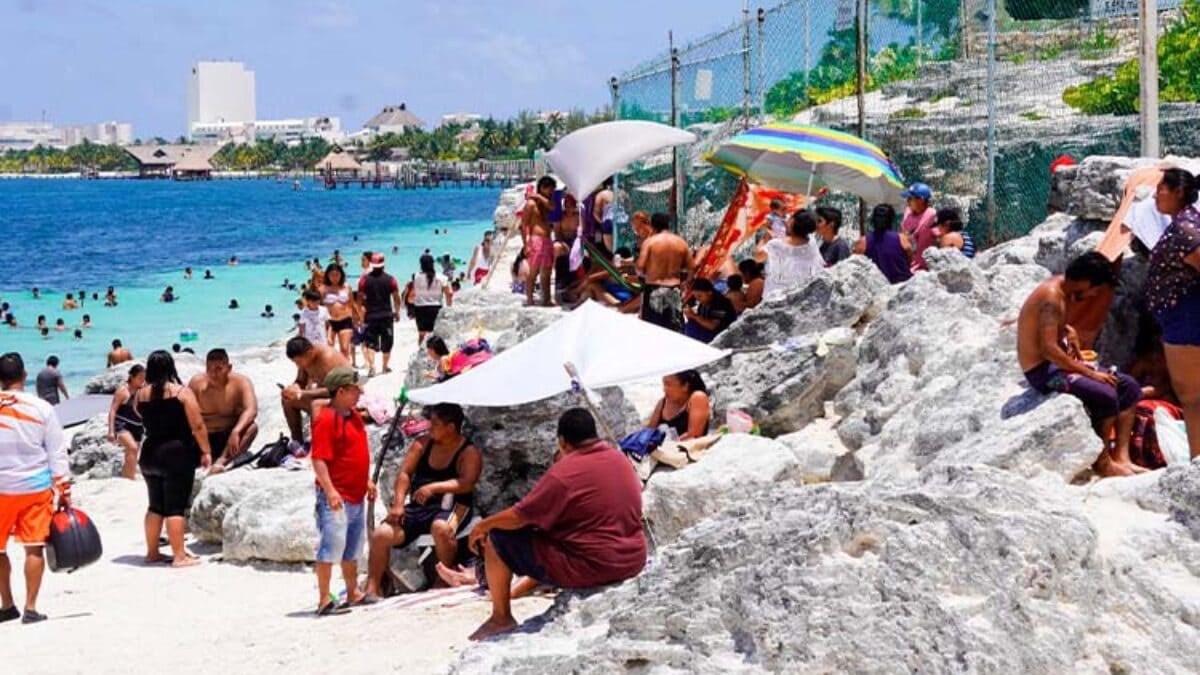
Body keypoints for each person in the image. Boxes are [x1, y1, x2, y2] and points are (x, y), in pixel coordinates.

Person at [467, 408, 646, 641]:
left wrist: (482, 526)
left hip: (596, 566)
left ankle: (501, 617)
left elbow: (520, 515)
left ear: (562, 441)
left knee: (498, 537)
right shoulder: (619, 458)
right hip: (633, 559)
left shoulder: (565, 473)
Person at [1017, 252, 1144, 477]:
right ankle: (1102, 462)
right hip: (1042, 372)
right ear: (1085, 282)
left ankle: (1122, 456)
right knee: (1105, 393)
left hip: (1058, 365)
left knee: (1129, 386)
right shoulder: (1051, 297)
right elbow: (1049, 350)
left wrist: (1069, 332)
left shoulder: (1063, 290)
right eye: (1095, 289)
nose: (1095, 295)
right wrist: (1090, 373)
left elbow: (1052, 326)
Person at [365, 403, 481, 599]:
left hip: (453, 505)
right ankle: (373, 586)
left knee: (441, 528)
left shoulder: (468, 452)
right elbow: (404, 473)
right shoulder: (422, 444)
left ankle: (443, 577)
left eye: (435, 424)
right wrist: (399, 504)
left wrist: (435, 487)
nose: (429, 427)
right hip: (419, 508)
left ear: (450, 427)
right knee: (381, 534)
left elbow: (467, 482)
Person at [0, 352, 70, 624]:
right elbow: (57, 451)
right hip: (34, 489)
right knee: (33, 547)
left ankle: (6, 604)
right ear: (25, 376)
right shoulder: (42, 407)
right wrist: (63, 488)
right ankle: (30, 608)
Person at [135, 351, 212, 566]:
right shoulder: (181, 393)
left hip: (149, 453)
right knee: (175, 507)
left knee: (155, 505)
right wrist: (205, 451)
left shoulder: (140, 395)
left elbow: (140, 415)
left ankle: (152, 552)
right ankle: (179, 556)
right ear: (171, 367)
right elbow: (197, 425)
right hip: (176, 453)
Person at [310, 367, 375, 615]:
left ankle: (353, 591)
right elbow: (319, 459)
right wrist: (330, 490)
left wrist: (366, 480)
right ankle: (324, 598)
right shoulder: (327, 420)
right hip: (336, 496)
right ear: (341, 391)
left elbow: (356, 452)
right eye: (355, 389)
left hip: (356, 493)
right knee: (331, 545)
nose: (359, 393)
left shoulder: (353, 416)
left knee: (352, 546)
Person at [1146, 167, 1200, 459]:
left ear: (1178, 192)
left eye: (1161, 189)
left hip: (1186, 318)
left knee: (1192, 397)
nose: (1156, 195)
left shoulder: (1185, 229)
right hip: (1180, 316)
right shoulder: (1186, 222)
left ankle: (1196, 462)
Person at [187, 349, 259, 472]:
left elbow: (251, 409)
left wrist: (236, 431)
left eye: (218, 369)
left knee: (252, 427)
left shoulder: (241, 383)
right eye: (209, 369)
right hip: (203, 439)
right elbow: (185, 413)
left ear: (229, 367)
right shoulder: (197, 383)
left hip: (228, 438)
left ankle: (222, 461)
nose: (213, 374)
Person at [281, 336, 350, 442]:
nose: (298, 365)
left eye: (298, 362)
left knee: (316, 405)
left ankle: (319, 447)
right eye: (295, 363)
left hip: (346, 399)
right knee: (288, 400)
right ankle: (297, 442)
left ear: (309, 353)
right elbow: (300, 381)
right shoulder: (306, 359)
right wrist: (293, 388)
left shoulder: (327, 358)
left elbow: (336, 389)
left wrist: (302, 393)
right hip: (328, 398)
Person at [637, 213, 695, 331]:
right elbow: (692, 268)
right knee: (674, 330)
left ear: (652, 226)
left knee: (652, 329)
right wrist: (686, 284)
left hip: (654, 288)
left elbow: (639, 268)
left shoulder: (650, 242)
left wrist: (647, 275)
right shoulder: (681, 242)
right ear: (668, 224)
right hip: (674, 289)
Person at [756, 209, 824, 298]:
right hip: (798, 297)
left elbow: (758, 257)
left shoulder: (775, 245)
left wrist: (766, 235)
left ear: (792, 221)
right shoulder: (812, 243)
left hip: (774, 298)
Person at [358, 253, 402, 376]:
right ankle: (384, 366)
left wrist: (360, 316)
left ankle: (372, 366)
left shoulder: (364, 280)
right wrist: (397, 311)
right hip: (386, 315)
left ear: (372, 264)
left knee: (371, 342)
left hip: (370, 315)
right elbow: (396, 298)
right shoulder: (391, 279)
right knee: (387, 342)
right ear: (383, 265)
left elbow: (359, 300)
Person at [855, 204, 914, 284]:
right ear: (891, 220)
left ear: (873, 219)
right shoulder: (902, 238)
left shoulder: (863, 242)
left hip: (877, 288)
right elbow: (910, 259)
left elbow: (855, 265)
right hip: (903, 286)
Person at [647, 370, 711, 440]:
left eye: (668, 384)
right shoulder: (662, 402)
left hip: (692, 448)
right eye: (664, 384)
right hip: (666, 448)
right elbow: (648, 433)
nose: (664, 389)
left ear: (685, 386)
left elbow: (693, 436)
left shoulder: (698, 397)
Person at [522, 176, 557, 307]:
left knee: (547, 271)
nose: (551, 193)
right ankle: (530, 299)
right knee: (534, 271)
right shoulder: (531, 204)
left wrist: (538, 197)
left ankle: (546, 299)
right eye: (550, 190)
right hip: (536, 239)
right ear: (543, 188)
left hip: (547, 239)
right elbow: (523, 225)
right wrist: (526, 244)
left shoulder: (545, 202)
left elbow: (552, 207)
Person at [107, 364, 145, 480]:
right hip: (122, 425)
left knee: (132, 454)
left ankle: (127, 478)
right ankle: (130, 479)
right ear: (132, 377)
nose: (142, 380)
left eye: (144, 377)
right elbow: (113, 410)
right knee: (132, 448)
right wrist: (111, 431)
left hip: (138, 426)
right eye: (140, 377)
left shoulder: (142, 391)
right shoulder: (123, 391)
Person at [320, 264, 357, 367]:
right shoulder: (323, 288)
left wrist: (358, 318)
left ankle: (346, 371)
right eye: (332, 275)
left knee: (345, 349)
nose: (334, 277)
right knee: (329, 348)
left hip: (345, 320)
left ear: (341, 275)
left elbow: (352, 303)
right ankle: (332, 371)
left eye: (337, 275)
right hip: (329, 322)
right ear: (327, 275)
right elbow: (317, 306)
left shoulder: (346, 287)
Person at [411, 255, 452, 349]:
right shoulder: (442, 277)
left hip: (420, 308)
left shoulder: (416, 276)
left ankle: (421, 352)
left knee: (421, 334)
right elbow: (448, 294)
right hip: (435, 308)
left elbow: (414, 293)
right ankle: (434, 353)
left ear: (421, 265)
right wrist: (449, 307)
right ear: (433, 264)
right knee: (435, 334)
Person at [684, 279, 737, 344]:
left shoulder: (720, 302)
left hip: (722, 334)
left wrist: (694, 316)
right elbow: (701, 318)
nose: (697, 299)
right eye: (695, 296)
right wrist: (690, 316)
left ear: (709, 292)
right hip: (708, 331)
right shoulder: (704, 301)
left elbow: (713, 326)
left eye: (699, 296)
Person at [900, 182, 937, 272]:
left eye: (910, 199)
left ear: (921, 200)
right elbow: (902, 236)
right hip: (906, 267)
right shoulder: (907, 212)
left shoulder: (931, 215)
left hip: (923, 270)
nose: (907, 201)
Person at [592, 176, 615, 254]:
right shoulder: (623, 193)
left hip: (608, 221)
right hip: (622, 222)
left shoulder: (601, 194)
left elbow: (595, 213)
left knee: (611, 251)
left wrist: (601, 223)